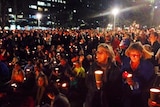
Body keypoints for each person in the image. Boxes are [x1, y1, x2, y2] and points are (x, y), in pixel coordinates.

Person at [85, 43, 123, 107]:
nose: (97, 55)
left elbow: (117, 88)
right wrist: (96, 87)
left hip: (109, 102)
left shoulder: (115, 69)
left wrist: (104, 86)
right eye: (97, 52)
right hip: (94, 101)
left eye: (101, 53)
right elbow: (88, 81)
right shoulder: (94, 66)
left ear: (108, 54)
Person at [121, 42, 155, 107]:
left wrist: (135, 84)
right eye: (131, 54)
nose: (133, 57)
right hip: (126, 96)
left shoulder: (147, 65)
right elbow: (121, 73)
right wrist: (124, 77)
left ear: (141, 54)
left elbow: (147, 81)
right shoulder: (126, 62)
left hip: (141, 97)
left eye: (136, 54)